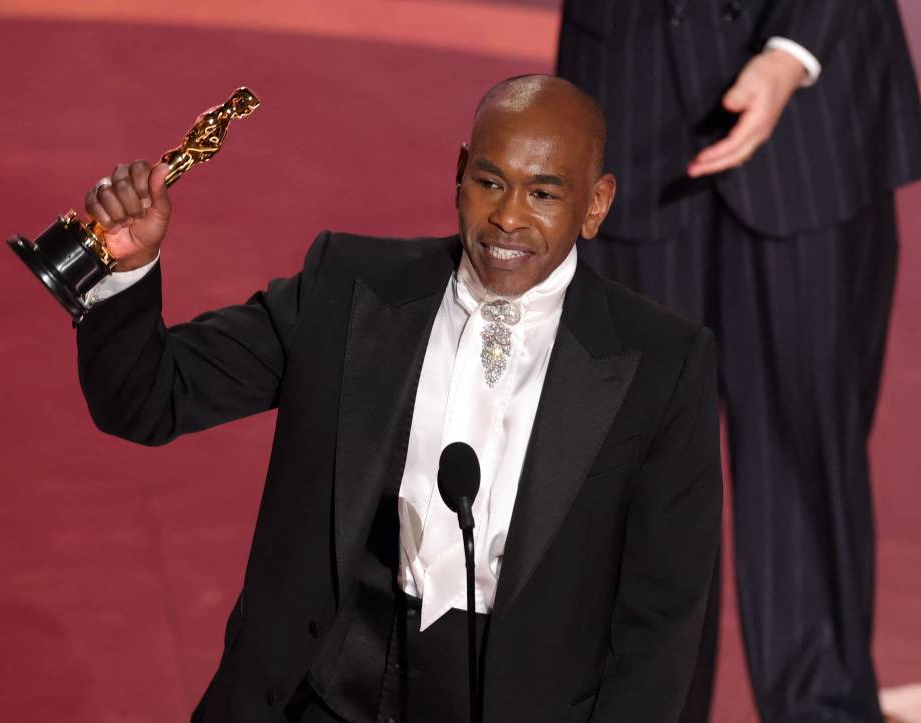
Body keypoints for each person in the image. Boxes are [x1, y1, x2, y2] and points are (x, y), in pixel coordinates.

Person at [74, 75, 721, 722]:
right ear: (460, 172)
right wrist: (125, 267)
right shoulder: (348, 288)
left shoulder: (660, 363)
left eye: (545, 192)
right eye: (490, 182)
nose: (509, 217)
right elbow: (150, 397)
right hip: (318, 693)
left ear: (596, 204)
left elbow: (662, 621)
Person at [556, 2, 921, 721]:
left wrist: (792, 52)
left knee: (809, 452)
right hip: (633, 92)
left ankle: (821, 707)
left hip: (819, 109)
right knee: (636, 464)